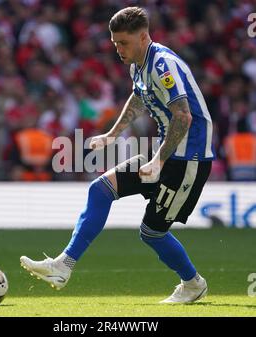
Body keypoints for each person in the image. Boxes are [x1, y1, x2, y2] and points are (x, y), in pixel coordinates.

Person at [20, 7, 215, 304]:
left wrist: (158, 160)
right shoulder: (138, 63)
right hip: (164, 152)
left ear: (144, 37)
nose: (118, 50)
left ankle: (193, 284)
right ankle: (63, 266)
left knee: (151, 233)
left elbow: (184, 116)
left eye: (123, 43)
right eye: (114, 44)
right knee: (100, 190)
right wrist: (112, 134)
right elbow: (138, 98)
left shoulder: (163, 64)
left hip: (189, 159)